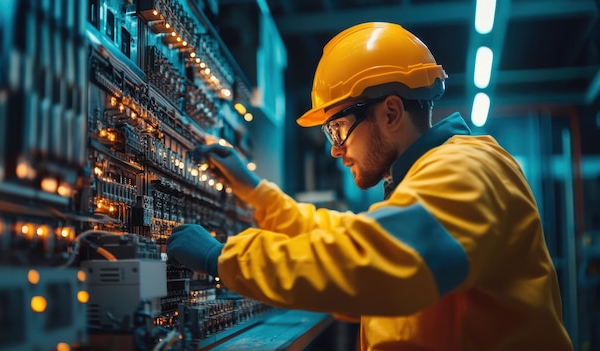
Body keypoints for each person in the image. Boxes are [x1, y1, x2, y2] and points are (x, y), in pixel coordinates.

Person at [167, 22, 573, 350]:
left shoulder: (470, 168)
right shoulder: (426, 179)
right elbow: (345, 238)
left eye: (338, 129)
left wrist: (225, 258)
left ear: (391, 112)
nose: (335, 150)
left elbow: (374, 262)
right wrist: (255, 191)